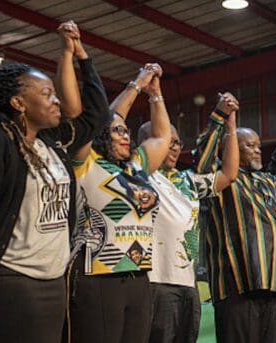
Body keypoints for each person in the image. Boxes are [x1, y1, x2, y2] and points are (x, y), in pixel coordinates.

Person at [0, 20, 107, 342]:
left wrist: (80, 56)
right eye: (47, 94)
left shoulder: (52, 141)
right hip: (12, 281)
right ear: (18, 103)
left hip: (53, 282)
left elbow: (97, 116)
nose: (56, 100)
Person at [69, 62, 172, 343]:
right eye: (117, 131)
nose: (125, 136)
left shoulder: (136, 165)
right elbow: (101, 117)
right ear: (102, 134)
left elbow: (163, 136)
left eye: (127, 131)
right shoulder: (86, 162)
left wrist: (156, 93)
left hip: (138, 274)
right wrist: (137, 84)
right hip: (99, 274)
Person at [198, 114, 276, 343]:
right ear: (232, 149)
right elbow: (203, 160)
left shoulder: (265, 181)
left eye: (259, 145)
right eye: (250, 145)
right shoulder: (222, 180)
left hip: (268, 284)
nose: (258, 150)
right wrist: (222, 119)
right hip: (236, 286)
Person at [141, 93, 240, 343]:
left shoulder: (188, 181)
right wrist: (154, 92)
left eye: (177, 142)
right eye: (168, 141)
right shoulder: (142, 175)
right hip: (156, 282)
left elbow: (228, 174)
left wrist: (231, 127)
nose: (174, 147)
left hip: (188, 284)